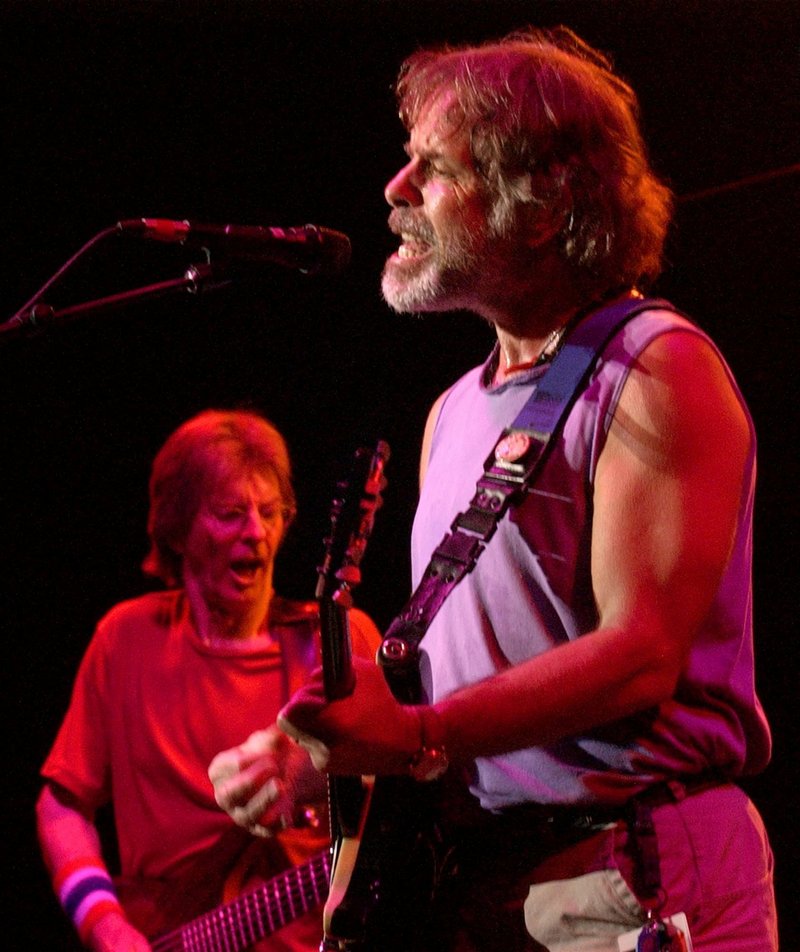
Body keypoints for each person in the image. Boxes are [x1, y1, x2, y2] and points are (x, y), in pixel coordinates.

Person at [212, 27, 778, 952]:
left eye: (432, 166)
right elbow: (475, 665)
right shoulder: (451, 412)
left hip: (630, 882)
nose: (397, 191)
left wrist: (420, 729)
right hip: (489, 893)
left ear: (547, 199)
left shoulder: (658, 368)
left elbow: (640, 651)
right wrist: (330, 760)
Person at [36, 408, 382, 952]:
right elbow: (60, 807)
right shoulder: (126, 639)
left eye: (270, 512)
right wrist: (104, 923)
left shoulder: (338, 644)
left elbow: (409, 790)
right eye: (229, 514)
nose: (255, 532)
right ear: (178, 529)